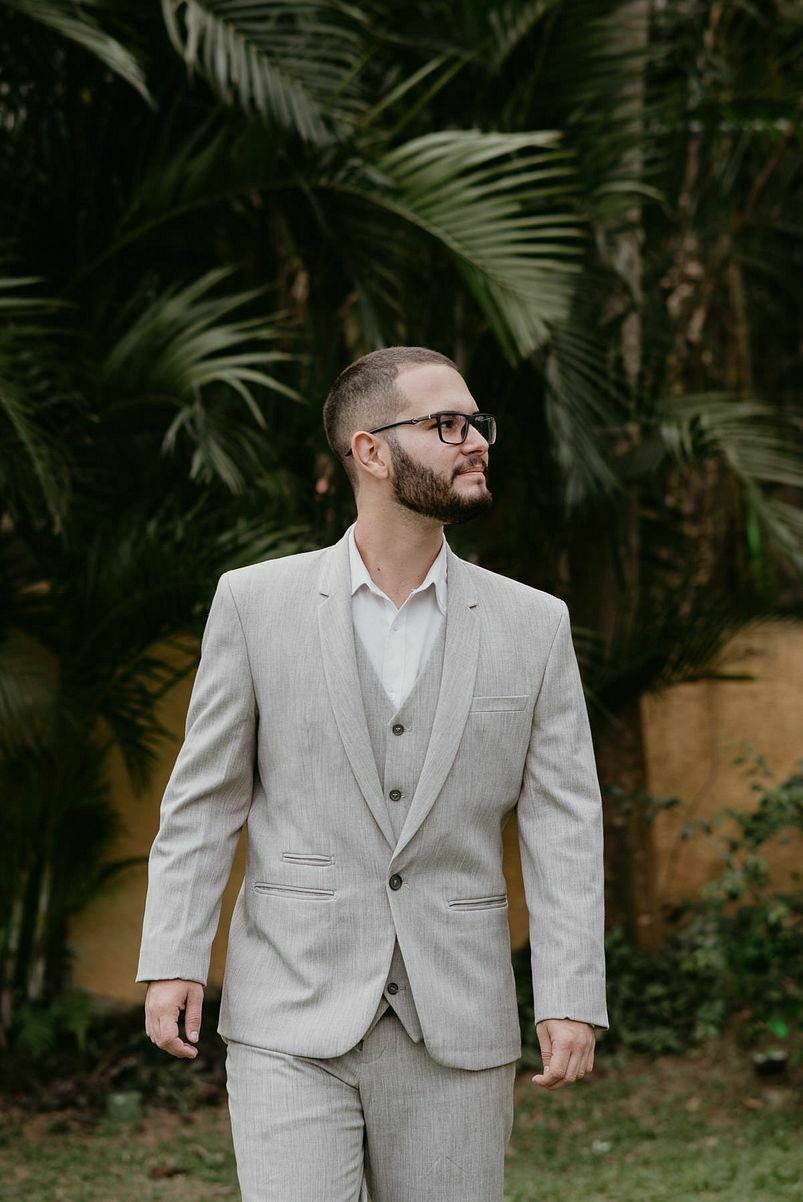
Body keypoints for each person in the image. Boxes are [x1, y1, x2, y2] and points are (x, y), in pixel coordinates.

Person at [136, 346, 609, 1202]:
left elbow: (562, 821)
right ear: (369, 450)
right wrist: (173, 955)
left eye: (476, 425)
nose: (474, 443)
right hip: (289, 1011)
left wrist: (569, 993)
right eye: (445, 425)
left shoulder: (533, 625)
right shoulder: (255, 603)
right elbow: (205, 802)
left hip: (455, 1018)